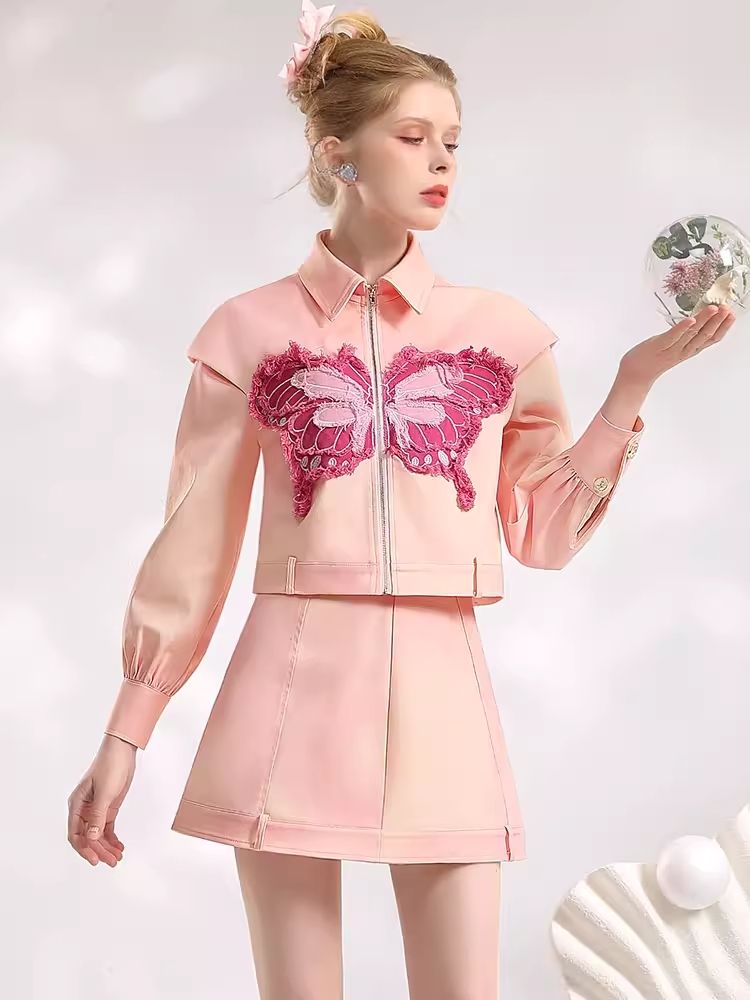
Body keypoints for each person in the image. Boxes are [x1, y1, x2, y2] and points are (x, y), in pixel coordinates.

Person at [66, 3, 736, 997]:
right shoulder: (246, 332)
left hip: (442, 696)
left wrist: (630, 387)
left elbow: (542, 534)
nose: (441, 162)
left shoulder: (502, 334)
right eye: (413, 137)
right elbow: (192, 547)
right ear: (336, 154)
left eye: (453, 140)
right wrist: (126, 732)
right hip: (288, 696)